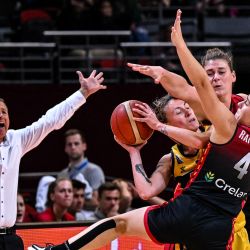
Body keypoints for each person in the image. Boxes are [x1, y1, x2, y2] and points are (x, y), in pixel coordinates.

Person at [28, 9, 250, 250]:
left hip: (205, 215)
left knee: (117, 224)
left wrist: (179, 45)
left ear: (234, 76)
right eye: (181, 111)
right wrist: (163, 74)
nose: (188, 111)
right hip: (216, 222)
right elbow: (190, 91)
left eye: (221, 72)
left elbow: (198, 91)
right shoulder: (213, 130)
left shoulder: (226, 122)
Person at [0, 68, 105, 250]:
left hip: (10, 240)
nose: (1, 116)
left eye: (4, 112)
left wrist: (83, 93)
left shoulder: (16, 140)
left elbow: (50, 120)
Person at [58, 128, 105, 210]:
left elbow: (97, 202)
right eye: (69, 144)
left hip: (89, 218)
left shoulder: (94, 170)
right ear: (65, 148)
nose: (73, 147)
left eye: (76, 144)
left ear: (84, 146)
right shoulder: (62, 174)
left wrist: (69, 202)